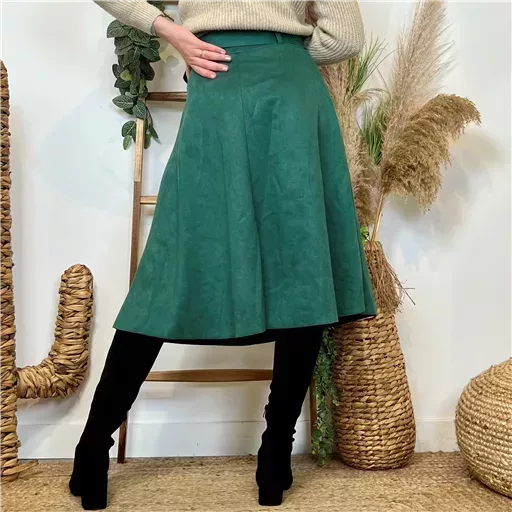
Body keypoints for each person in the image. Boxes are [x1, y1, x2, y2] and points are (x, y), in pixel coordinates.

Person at [69, 0, 377, 509]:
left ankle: (92, 449)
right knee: (300, 268)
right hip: (291, 90)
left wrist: (176, 33)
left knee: (169, 275)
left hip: (218, 78)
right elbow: (344, 36)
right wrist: (278, 50)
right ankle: (275, 454)